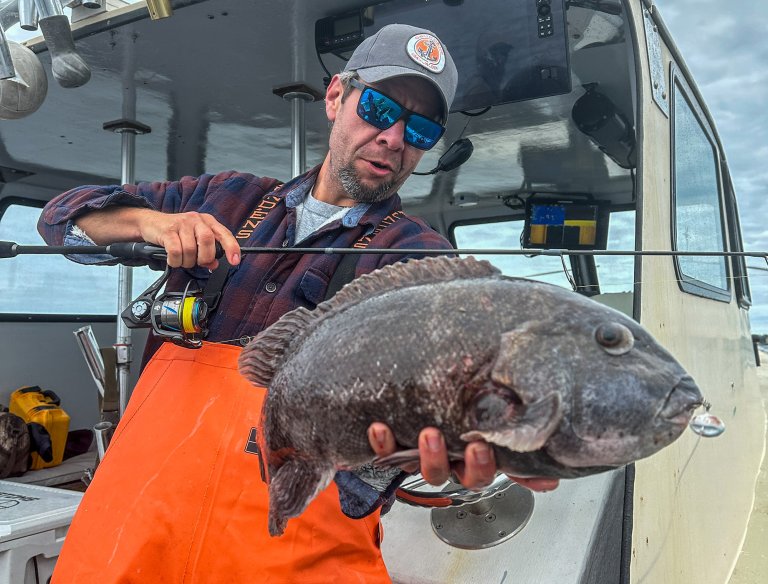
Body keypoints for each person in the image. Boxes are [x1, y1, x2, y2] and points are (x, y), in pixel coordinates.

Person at [39, 23, 557, 583]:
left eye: (421, 128)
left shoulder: (421, 259)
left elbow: (455, 380)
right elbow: (60, 220)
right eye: (380, 108)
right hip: (133, 535)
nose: (394, 137)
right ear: (336, 96)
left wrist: (484, 437)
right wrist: (151, 223)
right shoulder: (226, 198)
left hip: (293, 553)